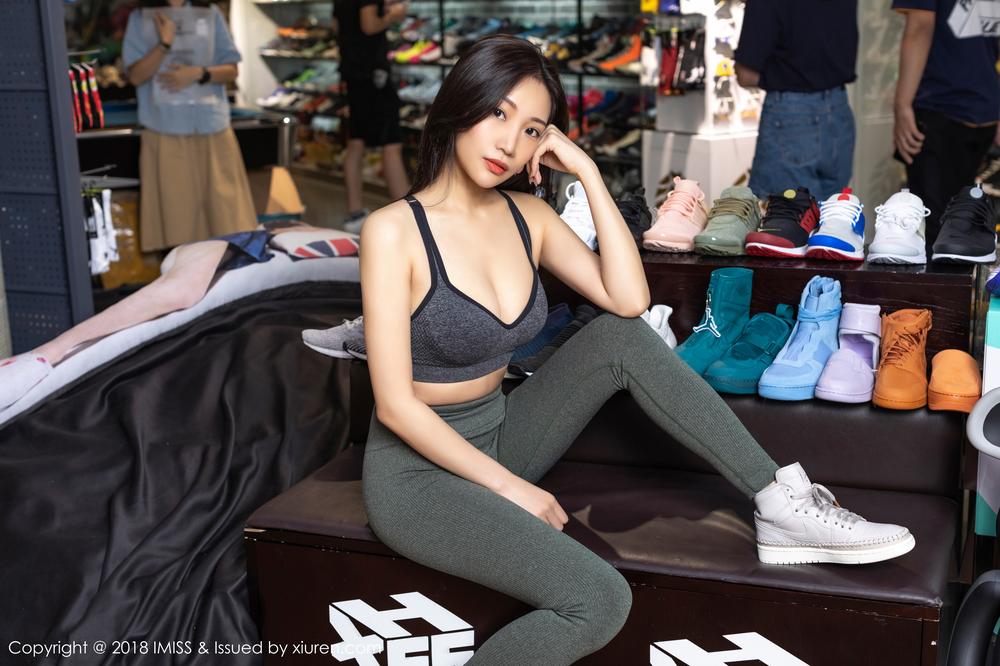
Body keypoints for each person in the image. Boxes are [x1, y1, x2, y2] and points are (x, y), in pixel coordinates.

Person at [359, 35, 915, 664]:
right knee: (597, 600)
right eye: (498, 113)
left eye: (532, 129)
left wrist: (590, 173)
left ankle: (778, 501)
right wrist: (511, 489)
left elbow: (628, 300)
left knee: (620, 336)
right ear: (462, 103)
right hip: (418, 476)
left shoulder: (526, 218)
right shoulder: (392, 232)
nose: (510, 143)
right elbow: (395, 406)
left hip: (500, 433)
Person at [0, 222, 340, 410]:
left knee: (179, 295)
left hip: (236, 249)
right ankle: (49, 351)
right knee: (182, 292)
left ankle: (50, 352)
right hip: (232, 246)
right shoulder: (289, 236)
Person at [123, 0, 257, 252]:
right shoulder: (141, 17)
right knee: (178, 230)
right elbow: (136, 76)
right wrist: (164, 44)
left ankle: (225, 276)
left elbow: (231, 70)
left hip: (213, 130)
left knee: (228, 223)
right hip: (165, 132)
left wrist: (198, 73)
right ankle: (187, 276)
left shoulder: (210, 12)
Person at [892, 0, 999, 250]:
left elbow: (920, 25)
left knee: (937, 231)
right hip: (982, 107)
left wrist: (902, 104)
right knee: (962, 224)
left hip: (941, 104)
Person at [734, 0, 858, 200]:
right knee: (833, 212)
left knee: (787, 214)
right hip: (838, 111)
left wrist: (775, 77)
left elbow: (745, 74)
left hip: (790, 115)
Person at [332, 0, 411, 233]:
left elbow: (336, 26)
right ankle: (410, 216)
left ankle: (354, 213)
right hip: (374, 75)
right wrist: (392, 16)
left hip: (352, 73)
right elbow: (369, 25)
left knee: (356, 141)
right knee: (391, 143)